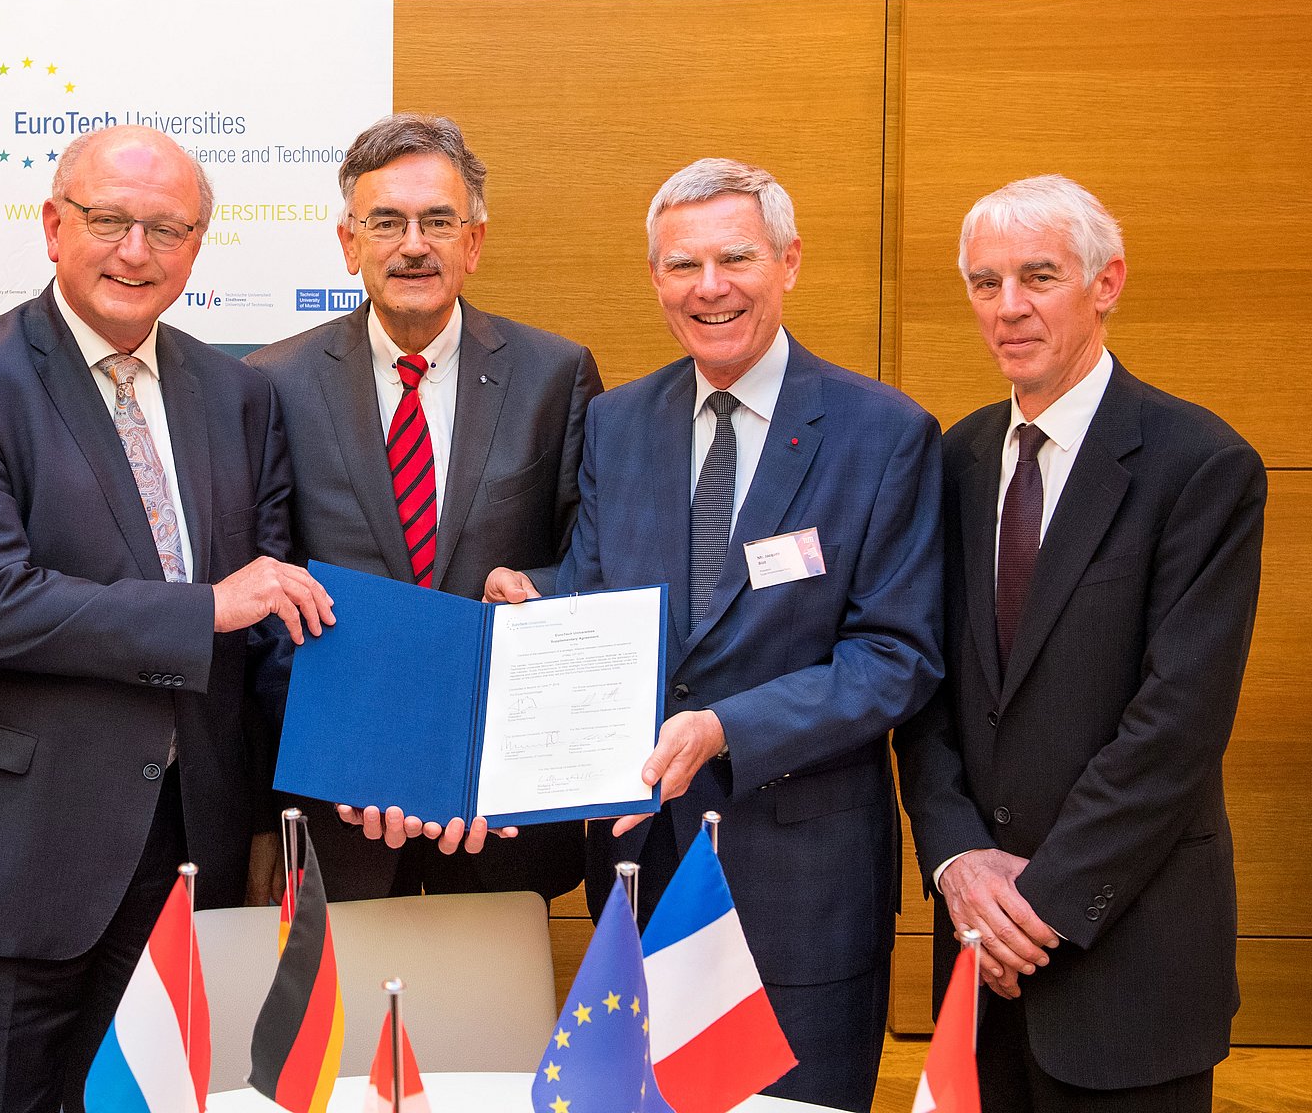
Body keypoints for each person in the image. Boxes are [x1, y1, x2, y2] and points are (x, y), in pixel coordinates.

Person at [0, 124, 332, 1112]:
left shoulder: (240, 394)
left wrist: (299, 797)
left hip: (191, 848)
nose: (138, 250)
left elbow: (269, 624)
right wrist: (204, 608)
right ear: (53, 225)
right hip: (14, 854)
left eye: (168, 229)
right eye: (111, 220)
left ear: (198, 247)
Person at [487, 157, 943, 1110]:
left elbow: (895, 658)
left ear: (789, 262)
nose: (710, 288)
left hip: (802, 885)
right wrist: (536, 597)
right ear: (655, 279)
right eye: (681, 265)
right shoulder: (617, 423)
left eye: (735, 258)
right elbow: (605, 592)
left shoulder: (883, 432)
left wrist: (726, 727)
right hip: (639, 870)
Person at [894, 174, 1264, 1111]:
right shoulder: (955, 460)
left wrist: (1038, 907)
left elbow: (1175, 727)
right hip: (977, 958)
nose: (1008, 307)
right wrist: (956, 862)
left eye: (1039, 276)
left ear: (1107, 283)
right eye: (985, 283)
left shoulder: (1201, 467)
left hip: (1125, 958)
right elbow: (925, 689)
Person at [246, 113, 600, 900]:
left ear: (473, 241)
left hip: (500, 807)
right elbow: (263, 596)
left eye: (438, 221)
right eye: (387, 222)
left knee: (489, 1023)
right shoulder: (275, 383)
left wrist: (535, 594)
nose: (414, 244)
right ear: (348, 242)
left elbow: (586, 566)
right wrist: (348, 758)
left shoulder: (555, 375)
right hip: (340, 804)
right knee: (346, 1024)